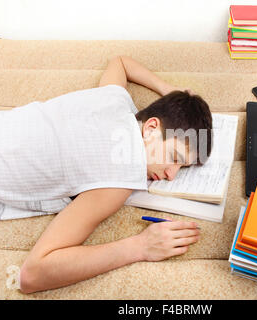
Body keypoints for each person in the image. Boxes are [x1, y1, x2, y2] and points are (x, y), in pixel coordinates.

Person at [15, 56, 213, 293]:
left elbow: (120, 62)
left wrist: (170, 92)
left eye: (182, 167)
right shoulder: (121, 173)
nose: (172, 174)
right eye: (173, 157)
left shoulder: (114, 101)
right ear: (151, 128)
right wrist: (140, 247)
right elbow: (32, 274)